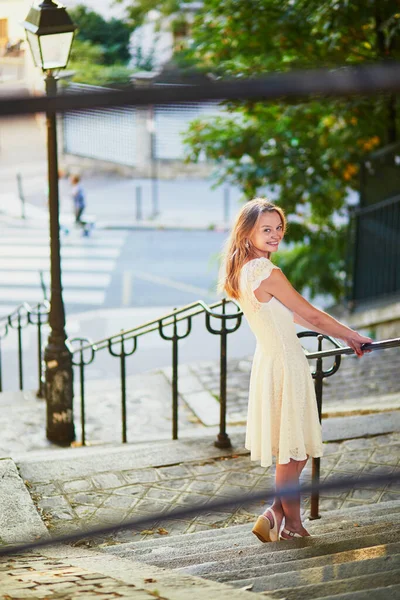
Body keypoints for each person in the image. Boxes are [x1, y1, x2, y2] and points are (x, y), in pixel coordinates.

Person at [219, 198, 372, 542]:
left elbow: (296, 316)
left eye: (278, 228)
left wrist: (339, 336)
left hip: (273, 361)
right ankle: (294, 525)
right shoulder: (265, 271)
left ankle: (275, 513)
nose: (275, 235)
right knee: (293, 452)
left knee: (295, 447)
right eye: (266, 230)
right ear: (247, 233)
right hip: (285, 363)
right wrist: (351, 335)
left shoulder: (244, 269)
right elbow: (313, 314)